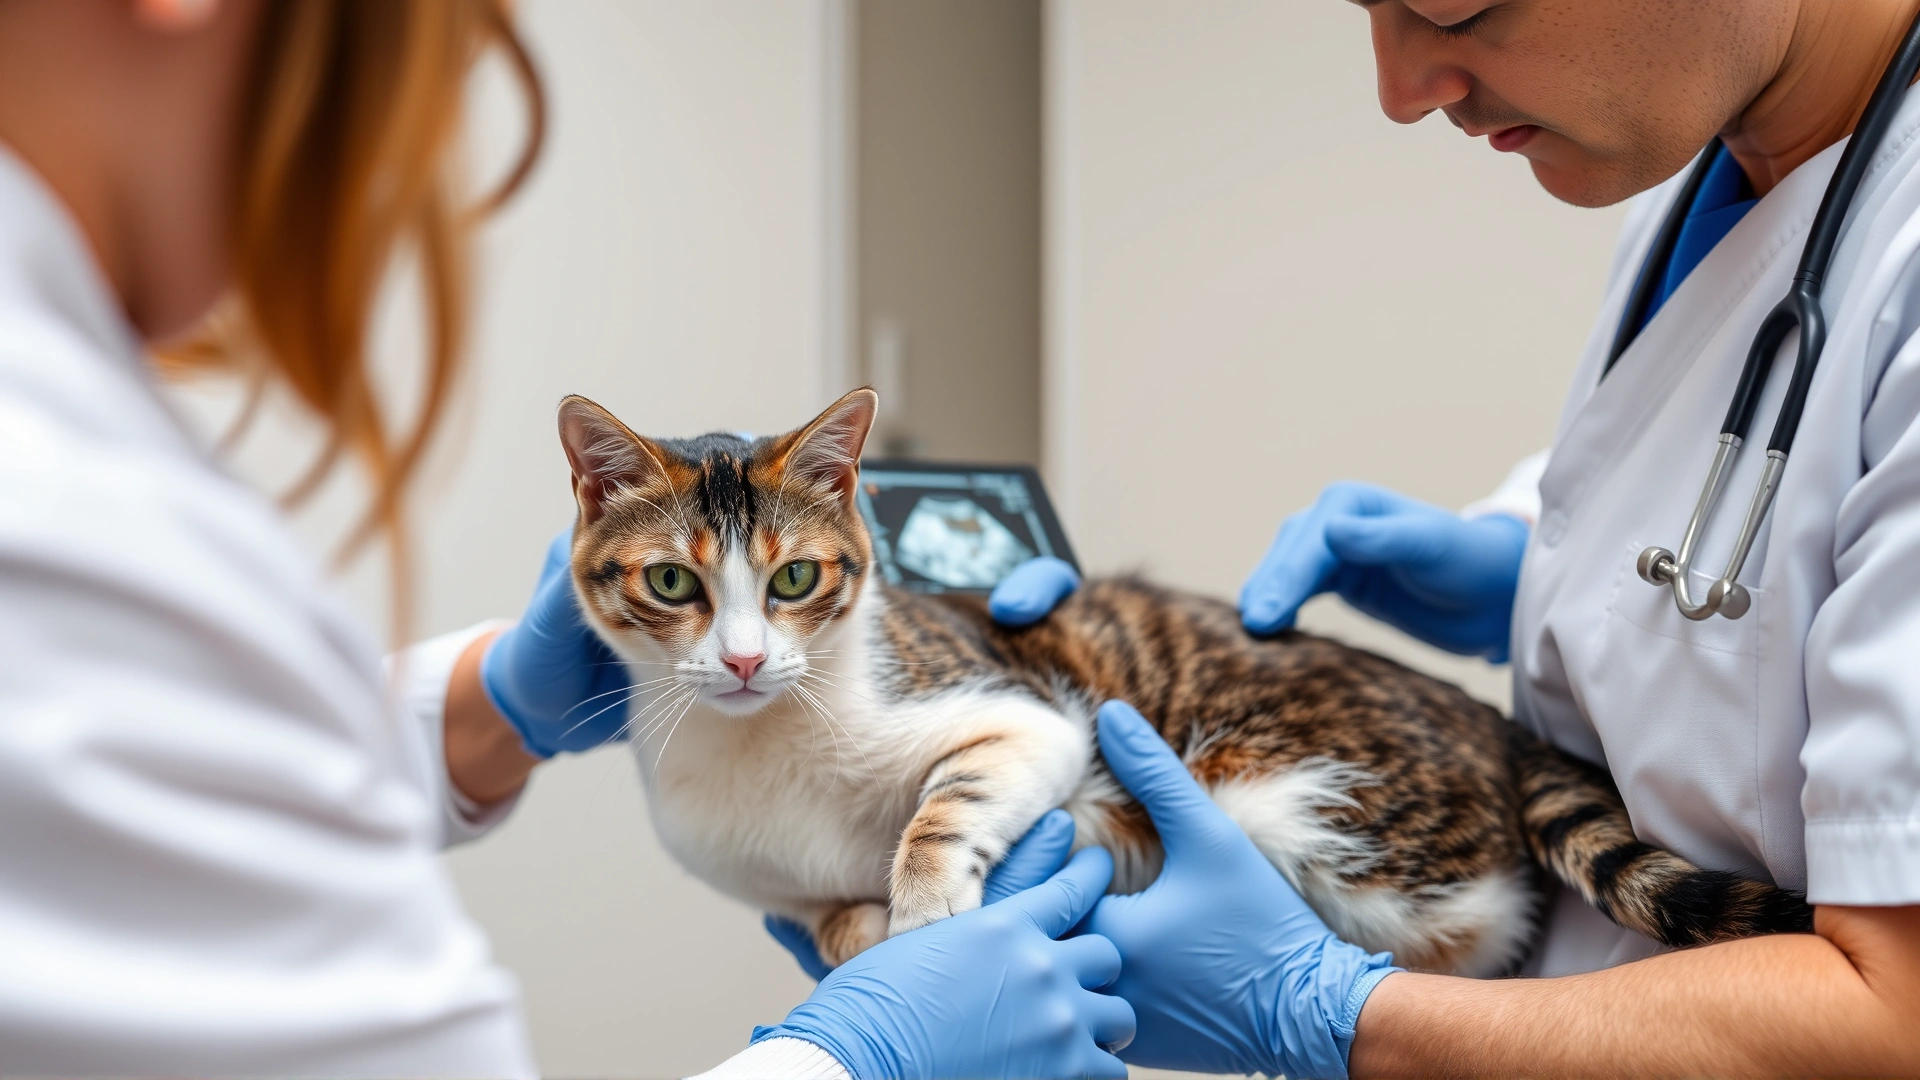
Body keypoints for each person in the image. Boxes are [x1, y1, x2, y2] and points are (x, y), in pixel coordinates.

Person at [0, 1, 1136, 1076]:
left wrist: (487, 703)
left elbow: (185, 786)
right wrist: (856, 1056)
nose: (374, 185)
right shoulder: (74, 519)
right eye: (405, 78)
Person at [981, 0, 1920, 1075]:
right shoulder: (1720, 174)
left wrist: (1332, 1015)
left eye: (1457, 7)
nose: (1401, 90)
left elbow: (1893, 1019)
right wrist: (1535, 572)